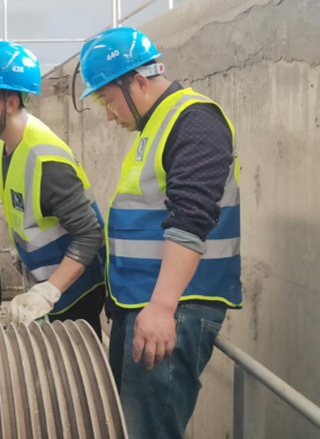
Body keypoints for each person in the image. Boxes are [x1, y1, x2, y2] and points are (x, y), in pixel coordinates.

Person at [78, 26, 242, 438]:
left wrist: (163, 307)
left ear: (138, 81)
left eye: (107, 99)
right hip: (144, 304)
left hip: (173, 307)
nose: (108, 114)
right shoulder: (156, 127)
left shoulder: (195, 120)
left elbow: (192, 218)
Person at [0, 41, 106, 335]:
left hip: (72, 293)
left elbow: (89, 234)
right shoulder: (8, 142)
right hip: (49, 284)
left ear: (11, 102)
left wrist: (49, 292)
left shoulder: (45, 160)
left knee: (75, 362)